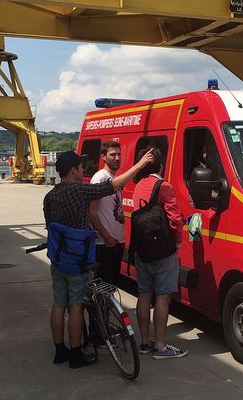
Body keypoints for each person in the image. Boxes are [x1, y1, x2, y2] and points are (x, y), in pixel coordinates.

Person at [43, 149, 153, 369]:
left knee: (58, 305)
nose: (84, 170)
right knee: (76, 306)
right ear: (73, 170)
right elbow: (112, 185)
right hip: (77, 261)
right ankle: (76, 354)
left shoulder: (50, 196)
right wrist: (139, 165)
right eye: (81, 167)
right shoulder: (80, 190)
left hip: (58, 259)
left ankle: (59, 351)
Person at [132, 147, 187, 360]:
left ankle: (145, 342)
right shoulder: (163, 186)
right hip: (162, 251)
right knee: (163, 297)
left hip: (142, 250)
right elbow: (174, 218)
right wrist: (179, 241)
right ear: (161, 164)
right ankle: (161, 346)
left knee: (144, 295)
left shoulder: (139, 185)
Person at [89, 140, 125, 286]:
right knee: (103, 287)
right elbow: (91, 211)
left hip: (116, 241)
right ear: (103, 157)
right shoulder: (100, 178)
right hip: (104, 243)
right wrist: (107, 236)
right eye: (112, 155)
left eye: (119, 154)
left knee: (111, 286)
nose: (117, 158)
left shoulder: (114, 178)